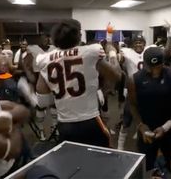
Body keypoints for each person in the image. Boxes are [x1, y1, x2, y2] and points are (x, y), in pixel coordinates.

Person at [35, 19, 121, 147]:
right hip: (90, 120)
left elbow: (42, 101)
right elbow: (116, 76)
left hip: (64, 123)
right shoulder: (91, 52)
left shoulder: (44, 59)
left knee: (73, 161)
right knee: (102, 160)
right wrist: (112, 52)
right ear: (79, 36)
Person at [128, 47, 171, 172]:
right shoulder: (134, 79)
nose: (154, 70)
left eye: (157, 66)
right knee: (146, 167)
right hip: (147, 129)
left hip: (170, 129)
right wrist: (140, 126)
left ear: (163, 63)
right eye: (151, 67)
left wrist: (166, 126)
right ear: (145, 64)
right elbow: (132, 105)